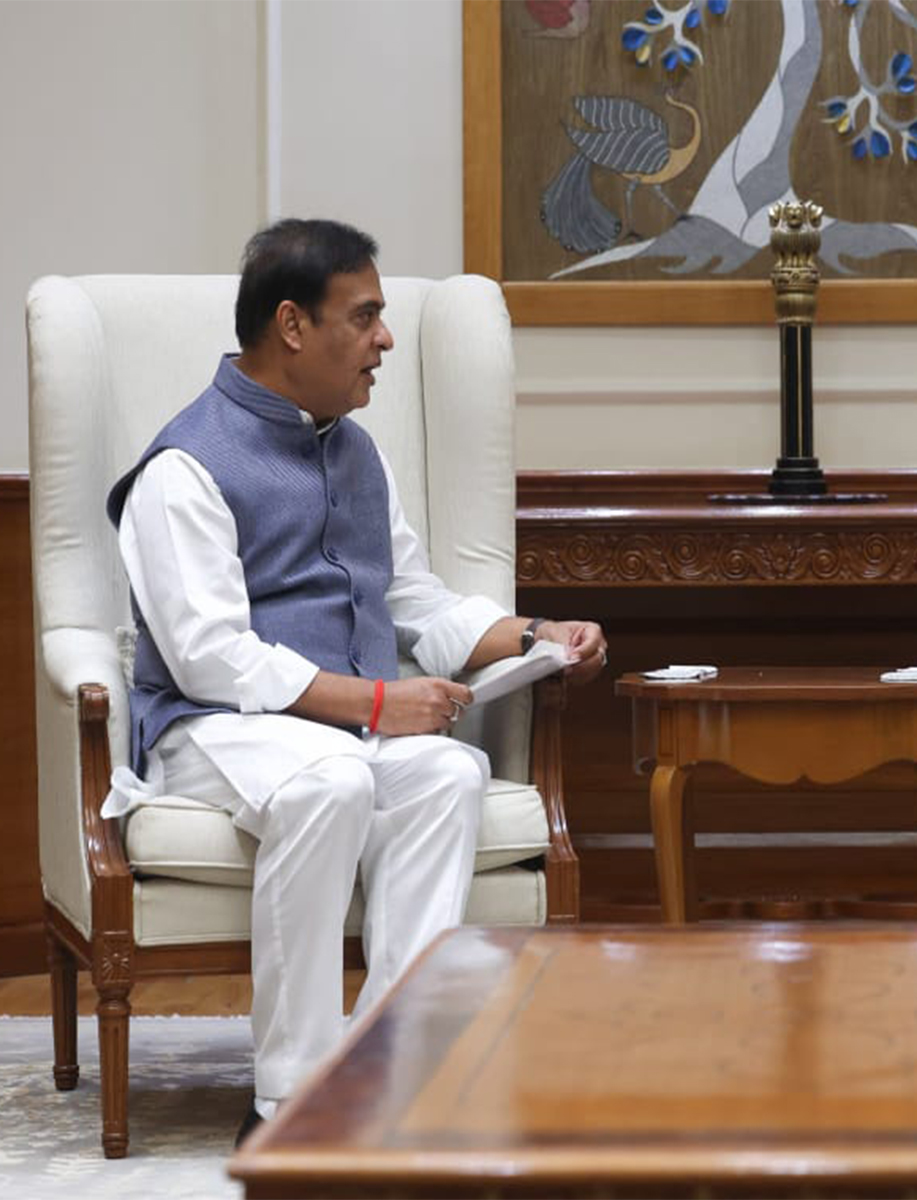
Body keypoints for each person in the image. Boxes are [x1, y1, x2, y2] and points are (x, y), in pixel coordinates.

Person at [101, 218, 608, 1141]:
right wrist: (380, 704)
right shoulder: (182, 468)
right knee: (332, 781)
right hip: (209, 733)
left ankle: (394, 1063)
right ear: (293, 326)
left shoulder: (354, 450)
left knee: (450, 774)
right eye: (365, 316)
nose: (384, 340)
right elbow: (211, 657)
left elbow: (413, 600)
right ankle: (289, 1097)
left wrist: (536, 632)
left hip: (330, 730)